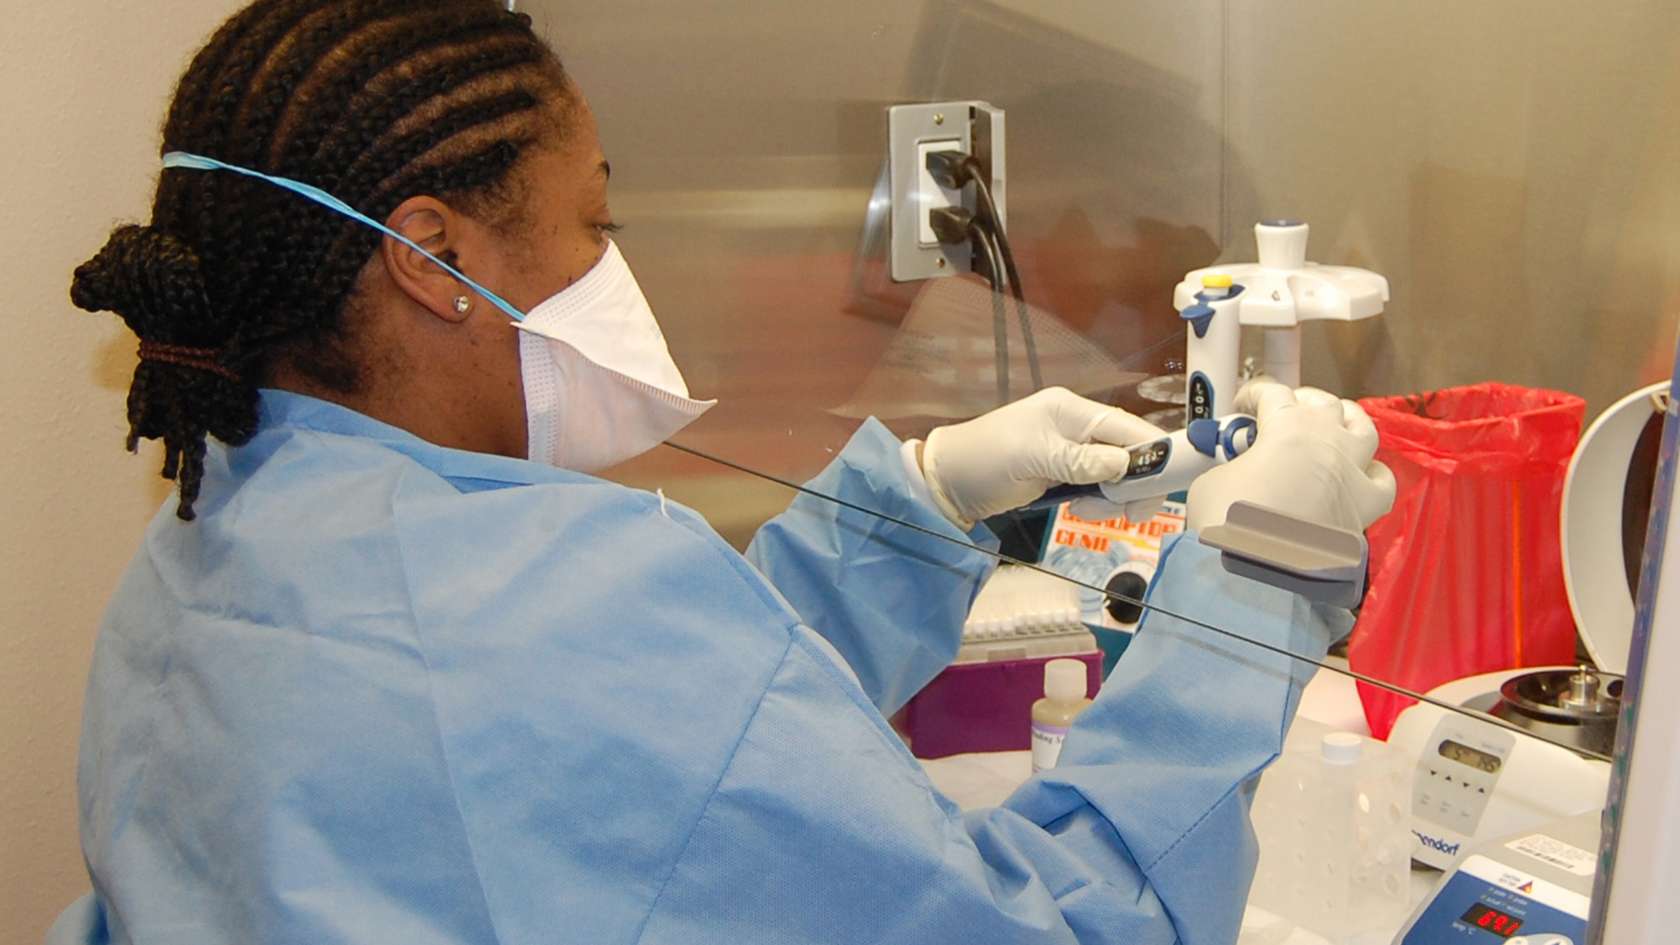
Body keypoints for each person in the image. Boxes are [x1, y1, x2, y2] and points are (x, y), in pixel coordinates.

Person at [49, 3, 1394, 944]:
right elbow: (1064, 927)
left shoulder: (195, 561)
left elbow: (650, 760)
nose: (611, 268)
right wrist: (1256, 590)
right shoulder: (554, 605)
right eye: (594, 223)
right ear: (428, 256)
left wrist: (922, 504)